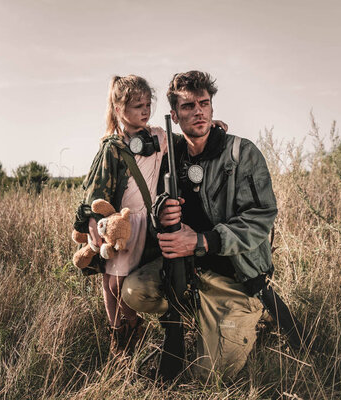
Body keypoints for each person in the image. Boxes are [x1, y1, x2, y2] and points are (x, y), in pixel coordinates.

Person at [122, 70, 278, 380]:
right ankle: (179, 323)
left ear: (212, 107)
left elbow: (261, 216)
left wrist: (204, 241)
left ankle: (249, 315)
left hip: (233, 278)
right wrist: (159, 215)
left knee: (211, 377)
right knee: (133, 290)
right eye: (188, 106)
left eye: (204, 104)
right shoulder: (171, 152)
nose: (199, 112)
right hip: (186, 271)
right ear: (175, 116)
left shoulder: (242, 152)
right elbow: (153, 202)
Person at [73, 75, 228, 355]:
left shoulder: (157, 136)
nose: (144, 111)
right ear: (119, 109)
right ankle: (119, 332)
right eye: (137, 107)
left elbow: (186, 141)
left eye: (147, 105)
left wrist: (209, 128)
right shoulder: (113, 147)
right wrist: (93, 223)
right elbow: (95, 191)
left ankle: (130, 326)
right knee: (112, 281)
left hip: (147, 223)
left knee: (122, 281)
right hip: (122, 225)